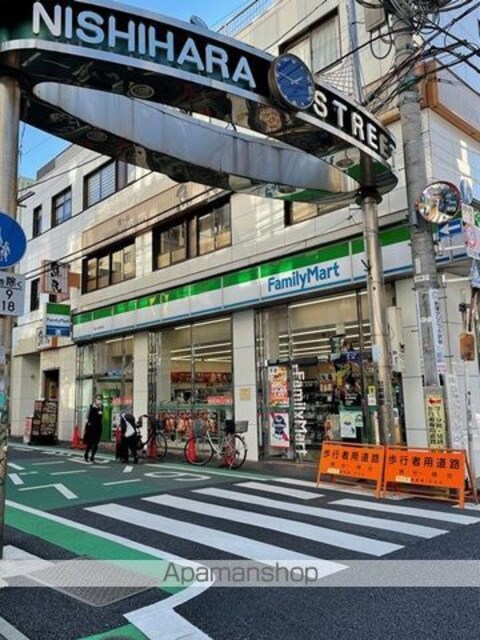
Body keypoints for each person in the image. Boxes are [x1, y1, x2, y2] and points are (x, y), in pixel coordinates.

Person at [83, 394, 103, 463]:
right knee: (90, 442)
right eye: (98, 398)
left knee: (96, 443)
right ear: (95, 399)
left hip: (98, 426)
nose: (99, 400)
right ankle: (86, 455)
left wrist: (98, 409)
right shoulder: (90, 406)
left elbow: (100, 415)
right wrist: (91, 421)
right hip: (91, 426)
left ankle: (92, 457)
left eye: (100, 399)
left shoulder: (101, 407)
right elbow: (87, 416)